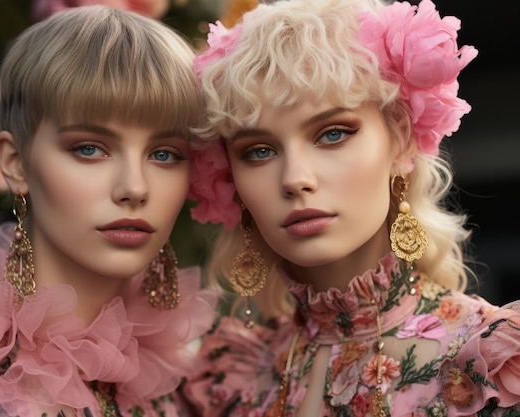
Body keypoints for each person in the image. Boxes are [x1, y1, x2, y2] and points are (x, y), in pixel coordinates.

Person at [182, 0, 520, 415]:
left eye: (332, 134)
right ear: (231, 176)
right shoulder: (228, 380)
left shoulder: (496, 366)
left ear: (399, 137)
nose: (295, 178)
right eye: (259, 151)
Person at [0, 5, 216, 417]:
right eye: (89, 149)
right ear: (15, 163)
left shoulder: (187, 392)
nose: (134, 188)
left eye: (165, 154)